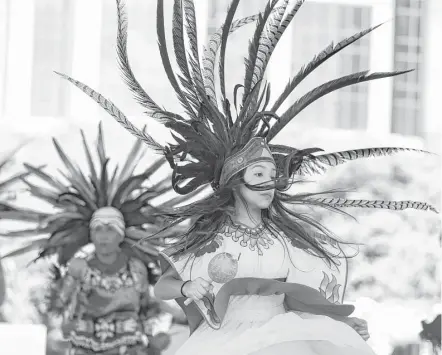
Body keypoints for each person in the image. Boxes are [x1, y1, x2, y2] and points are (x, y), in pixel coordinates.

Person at [54, 1, 438, 354]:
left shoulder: (286, 240)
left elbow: (309, 296)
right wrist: (187, 286)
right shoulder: (210, 236)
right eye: (259, 173)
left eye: (273, 174)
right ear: (236, 181)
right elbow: (163, 286)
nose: (270, 182)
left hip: (282, 336)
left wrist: (344, 322)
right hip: (224, 338)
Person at [0, 125, 186, 355]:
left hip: (129, 348)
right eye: (98, 230)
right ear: (90, 235)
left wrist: (175, 320)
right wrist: (68, 284)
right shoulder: (80, 266)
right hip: (86, 347)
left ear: (121, 235)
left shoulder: (136, 269)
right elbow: (57, 308)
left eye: (110, 230)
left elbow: (151, 307)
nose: (104, 236)